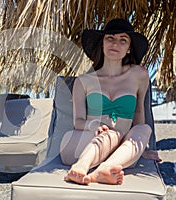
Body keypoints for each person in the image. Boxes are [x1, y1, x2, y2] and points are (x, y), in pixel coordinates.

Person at [60, 18, 161, 185]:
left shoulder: (139, 75)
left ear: (129, 49)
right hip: (81, 144)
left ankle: (101, 171)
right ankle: (81, 167)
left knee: (144, 128)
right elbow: (78, 121)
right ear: (102, 43)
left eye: (123, 40)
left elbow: (138, 112)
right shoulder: (84, 80)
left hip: (121, 152)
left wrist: (143, 148)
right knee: (112, 133)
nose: (116, 43)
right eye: (110, 38)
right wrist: (94, 125)